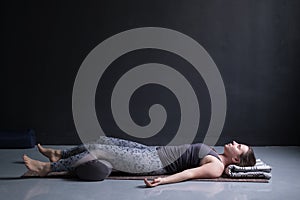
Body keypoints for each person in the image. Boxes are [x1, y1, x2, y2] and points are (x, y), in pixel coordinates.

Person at [23, 136, 256, 187]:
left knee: (101, 150)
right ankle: (60, 155)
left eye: (239, 146)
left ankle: (47, 168)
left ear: (236, 158)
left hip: (151, 161)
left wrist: (162, 181)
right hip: (152, 150)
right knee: (104, 139)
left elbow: (188, 175)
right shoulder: (216, 154)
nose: (235, 142)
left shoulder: (216, 167)